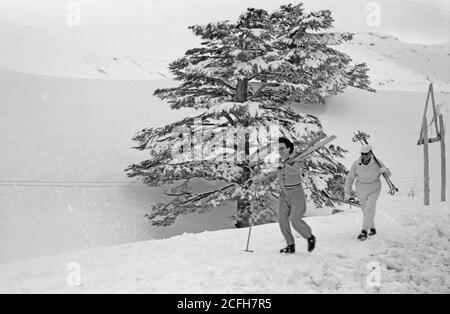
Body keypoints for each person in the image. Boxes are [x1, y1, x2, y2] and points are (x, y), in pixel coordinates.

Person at [253, 137, 316, 254]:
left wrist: (284, 166)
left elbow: (295, 171)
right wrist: (261, 178)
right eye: (278, 149)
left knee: (295, 220)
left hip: (296, 193)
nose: (280, 151)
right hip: (284, 193)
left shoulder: (297, 159)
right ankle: (290, 245)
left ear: (289, 149)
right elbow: (272, 172)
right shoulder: (278, 161)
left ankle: (309, 237)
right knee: (282, 221)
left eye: (282, 148)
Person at [344, 144, 391, 241]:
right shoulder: (356, 164)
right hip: (361, 189)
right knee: (366, 210)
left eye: (366, 154)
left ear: (370, 153)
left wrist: (385, 170)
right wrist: (347, 193)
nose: (364, 156)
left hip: (374, 187)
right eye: (362, 154)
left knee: (370, 208)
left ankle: (364, 231)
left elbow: (388, 175)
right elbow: (349, 179)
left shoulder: (377, 163)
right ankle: (372, 228)